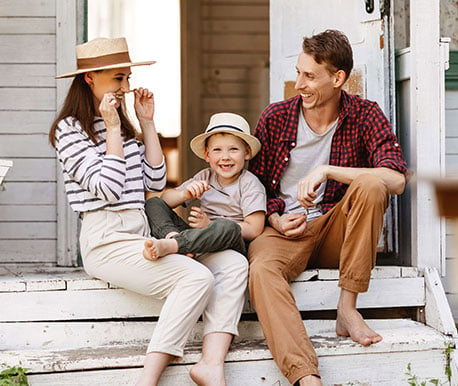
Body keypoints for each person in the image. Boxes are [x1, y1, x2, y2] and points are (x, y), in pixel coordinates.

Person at [49, 37, 249, 386]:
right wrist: (112, 128)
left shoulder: (123, 127)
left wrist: (147, 123)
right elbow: (108, 189)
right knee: (197, 277)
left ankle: (211, 362)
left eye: (127, 78)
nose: (126, 88)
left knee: (234, 263)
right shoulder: (69, 130)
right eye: (117, 79)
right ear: (89, 78)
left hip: (141, 232)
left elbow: (154, 180)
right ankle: (148, 380)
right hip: (106, 239)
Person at [248, 29, 408, 386]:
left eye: (309, 76)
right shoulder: (275, 117)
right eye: (298, 72)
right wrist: (274, 216)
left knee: (371, 183)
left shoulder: (365, 114)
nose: (299, 83)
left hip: (336, 230)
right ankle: (306, 376)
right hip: (283, 232)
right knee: (260, 271)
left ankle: (347, 308)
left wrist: (327, 170)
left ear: (338, 79)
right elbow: (253, 185)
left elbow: (396, 179)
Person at [143, 112, 266, 260]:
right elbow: (165, 199)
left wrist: (209, 225)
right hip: (197, 238)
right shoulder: (205, 177)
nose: (225, 157)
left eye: (233, 149)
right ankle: (173, 238)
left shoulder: (250, 184)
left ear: (247, 153)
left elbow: (254, 228)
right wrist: (185, 194)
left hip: (230, 241)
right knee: (153, 204)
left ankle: (176, 245)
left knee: (227, 226)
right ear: (207, 155)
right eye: (217, 150)